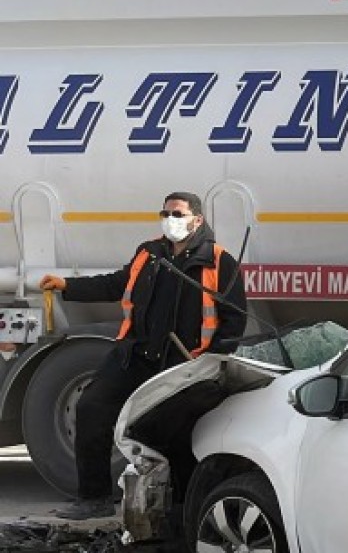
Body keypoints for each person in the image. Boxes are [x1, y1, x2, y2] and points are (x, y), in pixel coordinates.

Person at [39, 192, 247, 520]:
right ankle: (93, 498)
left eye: (177, 214)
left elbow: (234, 321)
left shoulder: (219, 261)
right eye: (165, 213)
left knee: (172, 434)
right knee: (91, 407)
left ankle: (182, 512)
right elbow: (117, 284)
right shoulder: (149, 253)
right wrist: (68, 285)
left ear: (198, 219)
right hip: (135, 354)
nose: (170, 220)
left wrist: (210, 361)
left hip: (182, 363)